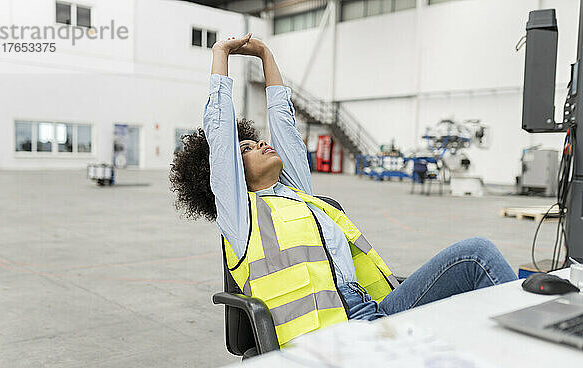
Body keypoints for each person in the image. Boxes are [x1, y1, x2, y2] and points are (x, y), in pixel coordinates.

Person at [170, 34, 517, 347]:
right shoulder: (241, 217)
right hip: (333, 338)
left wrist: (266, 55)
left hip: (375, 313)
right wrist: (220, 53)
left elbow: (285, 127)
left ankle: (533, 344)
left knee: (477, 254)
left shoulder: (299, 196)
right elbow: (220, 137)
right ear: (233, 173)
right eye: (245, 148)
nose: (261, 142)